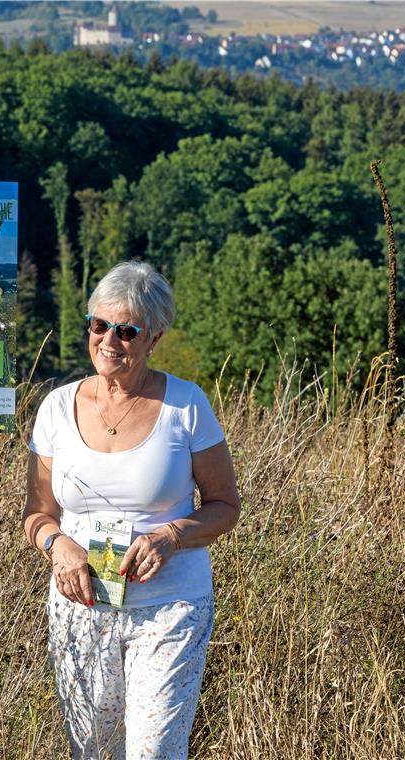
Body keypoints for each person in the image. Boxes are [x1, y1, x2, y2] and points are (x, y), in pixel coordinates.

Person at [22, 261, 241, 760]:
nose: (109, 340)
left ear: (153, 338)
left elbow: (226, 506)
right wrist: (59, 547)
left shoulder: (187, 406)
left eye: (126, 331)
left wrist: (171, 536)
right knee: (93, 752)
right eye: (99, 325)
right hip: (82, 607)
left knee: (153, 752)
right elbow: (37, 513)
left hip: (169, 609)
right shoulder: (56, 408)